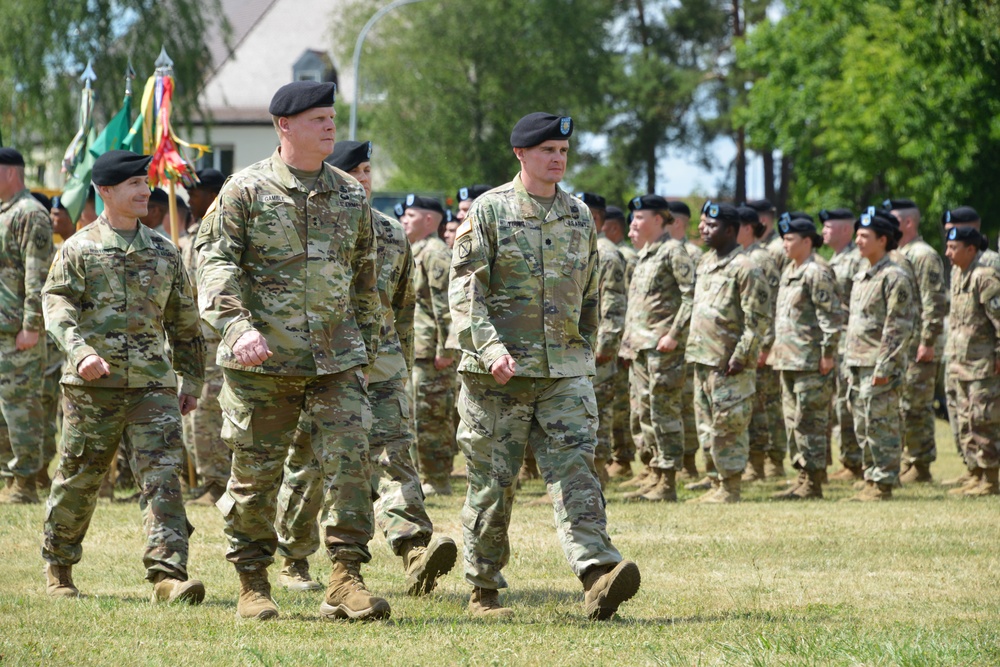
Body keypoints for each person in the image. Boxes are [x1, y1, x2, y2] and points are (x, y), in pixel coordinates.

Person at [195, 81, 383, 621]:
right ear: (285, 126)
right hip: (263, 360)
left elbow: (364, 277)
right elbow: (212, 262)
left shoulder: (350, 193)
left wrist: (365, 348)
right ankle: (253, 584)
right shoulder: (245, 190)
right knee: (256, 477)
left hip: (336, 361)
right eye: (318, 118)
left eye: (331, 117)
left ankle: (345, 579)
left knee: (351, 464)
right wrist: (236, 327)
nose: (330, 126)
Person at [449, 112, 640, 620]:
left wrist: (583, 352)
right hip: (497, 377)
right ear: (521, 154)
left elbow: (591, 294)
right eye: (547, 150)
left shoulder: (579, 216)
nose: (557, 159)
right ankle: (483, 588)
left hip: (563, 375)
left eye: (563, 151)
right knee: (494, 482)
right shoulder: (488, 212)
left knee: (577, 469)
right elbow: (467, 294)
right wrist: (490, 351)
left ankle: (597, 573)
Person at [273, 140, 457, 595]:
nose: (365, 179)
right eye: (355, 171)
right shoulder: (307, 229)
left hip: (382, 364)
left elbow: (403, 305)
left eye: (369, 170)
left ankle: (414, 547)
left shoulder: (393, 233)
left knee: (395, 453)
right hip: (322, 366)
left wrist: (402, 366)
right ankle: (294, 555)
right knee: (311, 464)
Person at [41, 149, 207, 602]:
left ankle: (167, 574)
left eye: (145, 182)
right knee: (80, 476)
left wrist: (190, 381)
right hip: (92, 386)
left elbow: (186, 323)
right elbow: (56, 307)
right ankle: (59, 567)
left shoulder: (164, 251)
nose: (144, 191)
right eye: (133, 184)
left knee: (164, 478)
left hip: (153, 385)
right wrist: (79, 353)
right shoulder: (78, 249)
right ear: (105, 190)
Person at [685, 201, 768, 504]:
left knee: (728, 425)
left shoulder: (746, 267)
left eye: (712, 225)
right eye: (703, 224)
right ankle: (715, 482)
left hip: (729, 362)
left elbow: (757, 320)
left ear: (731, 230)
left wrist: (741, 356)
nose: (703, 230)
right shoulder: (706, 262)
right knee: (707, 424)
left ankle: (731, 486)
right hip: (702, 358)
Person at [618, 194, 694, 502]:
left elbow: (691, 296)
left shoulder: (673, 252)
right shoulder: (646, 254)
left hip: (663, 349)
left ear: (659, 221)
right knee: (644, 413)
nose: (634, 223)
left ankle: (668, 481)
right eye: (634, 217)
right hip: (641, 348)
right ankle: (654, 472)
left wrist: (674, 334)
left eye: (640, 217)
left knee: (664, 413)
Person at [768, 215, 842, 499]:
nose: (784, 244)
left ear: (807, 241)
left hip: (811, 361)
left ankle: (813, 482)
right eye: (783, 239)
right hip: (788, 359)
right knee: (792, 421)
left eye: (790, 239)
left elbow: (831, 317)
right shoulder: (790, 270)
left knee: (810, 421)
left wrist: (828, 354)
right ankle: (802, 475)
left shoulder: (816, 272)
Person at [843, 208, 914, 501]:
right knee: (863, 424)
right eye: (857, 235)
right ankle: (871, 477)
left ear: (883, 240)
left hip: (878, 365)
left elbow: (897, 327)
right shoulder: (863, 276)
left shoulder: (894, 277)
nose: (858, 241)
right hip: (858, 362)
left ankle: (884, 483)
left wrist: (884, 366)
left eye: (864, 236)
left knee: (881, 424)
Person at [0, 148, 54, 503]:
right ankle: (12, 477)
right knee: (7, 409)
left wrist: (32, 325)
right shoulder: (5, 213)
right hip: (4, 329)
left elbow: (37, 275)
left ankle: (27, 482)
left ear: (8, 173)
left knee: (23, 408)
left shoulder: (30, 214)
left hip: (19, 330)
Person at [884, 198, 947, 483]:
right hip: (903, 344)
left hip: (919, 344)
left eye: (893, 219)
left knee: (917, 407)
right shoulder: (899, 254)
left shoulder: (922, 255)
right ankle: (908, 460)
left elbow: (934, 301)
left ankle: (920, 465)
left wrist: (928, 340)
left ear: (908, 223)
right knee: (902, 405)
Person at [178, 168, 230, 505]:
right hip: (196, 340)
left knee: (209, 414)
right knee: (194, 416)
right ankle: (207, 478)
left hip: (215, 341)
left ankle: (219, 482)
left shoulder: (223, 231)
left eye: (194, 193)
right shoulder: (196, 231)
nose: (188, 199)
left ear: (211, 195)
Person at [403, 193, 457, 496]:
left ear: (428, 220)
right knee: (418, 416)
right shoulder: (419, 251)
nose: (404, 221)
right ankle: (425, 477)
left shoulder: (436, 252)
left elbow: (445, 305)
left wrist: (446, 350)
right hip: (419, 349)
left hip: (433, 352)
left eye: (410, 216)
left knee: (432, 416)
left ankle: (437, 479)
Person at [943, 226, 1000, 496]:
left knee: (983, 420)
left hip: (983, 365)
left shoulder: (985, 278)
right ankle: (975, 472)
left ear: (971, 249)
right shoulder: (958, 274)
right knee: (966, 421)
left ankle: (990, 478)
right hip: (961, 364)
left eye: (953, 248)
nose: (947, 253)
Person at [735, 205, 784, 482]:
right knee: (750, 406)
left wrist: (766, 345)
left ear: (747, 228)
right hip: (746, 343)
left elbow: (772, 306)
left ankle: (768, 463)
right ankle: (753, 462)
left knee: (764, 407)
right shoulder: (741, 258)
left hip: (761, 344)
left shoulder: (761, 259)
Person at [820, 208, 865, 481]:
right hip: (835, 344)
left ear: (846, 230)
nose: (823, 230)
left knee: (850, 405)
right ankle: (848, 460)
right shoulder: (834, 260)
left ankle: (856, 462)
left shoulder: (857, 260)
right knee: (837, 406)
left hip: (851, 344)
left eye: (829, 226)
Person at [665, 200, 703, 482]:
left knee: (686, 404)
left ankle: (688, 462)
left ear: (675, 223)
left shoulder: (692, 254)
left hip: (686, 343)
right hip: (674, 344)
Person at [602, 205, 640, 480]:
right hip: (610, 341)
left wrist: (612, 343)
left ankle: (621, 458)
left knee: (616, 406)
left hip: (613, 343)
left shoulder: (614, 255)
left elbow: (618, 303)